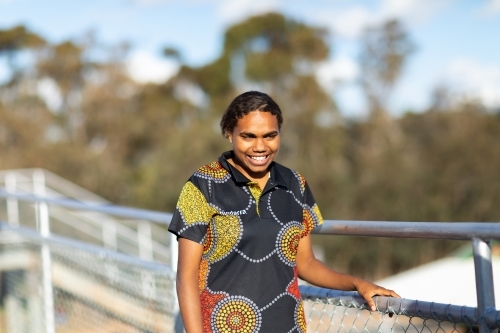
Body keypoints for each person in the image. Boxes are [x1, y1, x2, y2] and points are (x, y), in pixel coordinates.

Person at [168, 91, 399, 333]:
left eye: (270, 136)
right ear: (229, 134)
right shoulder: (203, 184)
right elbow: (187, 276)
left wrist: (358, 284)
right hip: (223, 326)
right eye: (248, 136)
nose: (260, 146)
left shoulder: (295, 184)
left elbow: (306, 263)